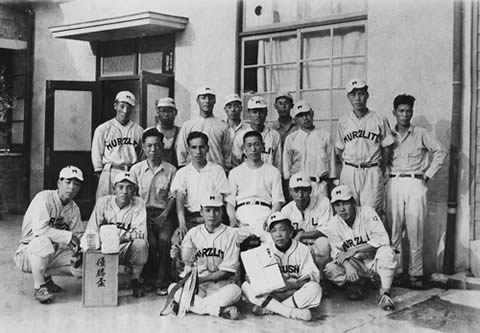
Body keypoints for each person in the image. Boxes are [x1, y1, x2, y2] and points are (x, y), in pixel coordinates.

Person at [386, 94, 446, 289]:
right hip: (394, 183)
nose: (405, 114)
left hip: (415, 183)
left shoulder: (420, 133)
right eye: (401, 111)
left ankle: (415, 274)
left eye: (409, 111)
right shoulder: (388, 135)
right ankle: (396, 273)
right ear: (394, 112)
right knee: (394, 230)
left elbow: (440, 151)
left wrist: (427, 176)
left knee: (415, 230)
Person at [14, 166, 85, 304]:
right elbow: (40, 230)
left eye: (76, 184)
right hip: (28, 252)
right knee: (43, 242)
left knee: (83, 267)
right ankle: (39, 286)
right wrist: (68, 236)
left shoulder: (74, 208)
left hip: (54, 253)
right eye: (68, 182)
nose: (72, 187)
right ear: (59, 183)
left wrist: (80, 249)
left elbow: (77, 235)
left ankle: (46, 276)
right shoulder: (44, 198)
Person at [169, 193, 242, 320]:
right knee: (172, 288)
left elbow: (227, 271)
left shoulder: (232, 234)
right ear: (201, 212)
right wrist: (176, 257)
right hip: (199, 289)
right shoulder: (193, 233)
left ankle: (189, 305)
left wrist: (200, 280)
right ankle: (219, 310)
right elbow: (184, 267)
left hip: (221, 287)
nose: (212, 215)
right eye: (208, 210)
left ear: (222, 212)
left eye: (216, 210)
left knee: (236, 290)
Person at [324, 185, 397, 311]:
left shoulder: (367, 212)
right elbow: (337, 253)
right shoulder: (333, 224)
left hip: (374, 261)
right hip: (355, 264)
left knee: (387, 252)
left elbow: (383, 240)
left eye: (345, 203)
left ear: (353, 202)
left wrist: (355, 249)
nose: (342, 209)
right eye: (337, 205)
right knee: (330, 269)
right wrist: (348, 266)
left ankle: (385, 294)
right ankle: (362, 282)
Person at [242, 212, 322, 321]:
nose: (278, 235)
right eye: (274, 230)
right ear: (270, 233)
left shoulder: (302, 249)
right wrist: (253, 279)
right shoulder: (264, 249)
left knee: (315, 288)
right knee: (246, 286)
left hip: (294, 293)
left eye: (282, 229)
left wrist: (291, 285)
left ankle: (271, 309)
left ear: (290, 231)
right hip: (272, 294)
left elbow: (311, 277)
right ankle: (290, 312)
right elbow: (258, 280)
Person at [83, 172, 148, 298]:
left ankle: (135, 280)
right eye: (121, 187)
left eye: (129, 187)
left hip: (124, 247)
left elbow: (140, 233)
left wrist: (117, 239)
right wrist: (104, 242)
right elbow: (92, 229)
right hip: (103, 247)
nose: (125, 191)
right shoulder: (103, 202)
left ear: (134, 190)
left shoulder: (139, 203)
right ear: (114, 189)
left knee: (141, 244)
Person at [335, 79, 394, 215]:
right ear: (348, 97)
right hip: (350, 170)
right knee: (349, 211)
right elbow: (339, 150)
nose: (357, 98)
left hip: (371, 170)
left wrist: (381, 169)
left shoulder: (379, 119)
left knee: (371, 212)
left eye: (361, 94)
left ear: (367, 95)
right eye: (353, 95)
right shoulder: (343, 120)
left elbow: (387, 148)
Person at [130, 127, 177, 295]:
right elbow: (132, 196)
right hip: (141, 214)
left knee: (165, 240)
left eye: (157, 146)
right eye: (149, 146)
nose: (153, 150)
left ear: (162, 146)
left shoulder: (171, 170)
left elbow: (173, 196)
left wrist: (164, 215)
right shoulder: (136, 170)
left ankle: (162, 281)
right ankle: (149, 279)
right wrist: (141, 217)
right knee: (150, 242)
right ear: (143, 147)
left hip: (164, 214)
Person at [171, 131, 234, 247]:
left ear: (207, 148)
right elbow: (180, 198)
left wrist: (231, 219)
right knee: (177, 241)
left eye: (201, 147)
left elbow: (226, 197)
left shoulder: (217, 170)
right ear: (189, 149)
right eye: (194, 147)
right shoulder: (183, 172)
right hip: (191, 219)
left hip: (213, 219)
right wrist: (182, 224)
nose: (198, 152)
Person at [228, 131, 284, 241]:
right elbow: (230, 202)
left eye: (256, 144)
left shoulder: (273, 171)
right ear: (244, 148)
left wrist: (270, 219)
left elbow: (277, 201)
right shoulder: (235, 172)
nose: (253, 149)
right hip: (242, 215)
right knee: (233, 241)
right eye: (249, 145)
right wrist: (232, 218)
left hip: (264, 215)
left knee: (271, 242)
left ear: (263, 146)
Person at [91, 91, 144, 199]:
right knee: (106, 204)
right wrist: (99, 172)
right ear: (115, 106)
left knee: (129, 206)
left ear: (132, 109)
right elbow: (97, 153)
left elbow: (142, 155)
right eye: (122, 106)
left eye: (129, 107)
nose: (125, 110)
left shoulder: (139, 131)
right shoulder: (103, 129)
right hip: (110, 171)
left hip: (130, 171)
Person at [283, 100, 336, 199]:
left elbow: (332, 163)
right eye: (301, 115)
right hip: (300, 187)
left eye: (307, 114)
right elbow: (287, 166)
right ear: (295, 119)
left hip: (321, 184)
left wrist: (331, 184)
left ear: (312, 114)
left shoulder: (324, 135)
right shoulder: (291, 138)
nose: (305, 118)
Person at [281, 173, 332, 272]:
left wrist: (302, 235)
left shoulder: (323, 202)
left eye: (304, 190)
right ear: (290, 192)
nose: (300, 195)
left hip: (316, 245)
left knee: (324, 243)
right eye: (296, 191)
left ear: (310, 190)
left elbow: (327, 229)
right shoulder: (286, 210)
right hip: (298, 247)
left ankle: (323, 276)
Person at [176, 87, 232, 171]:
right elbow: (181, 152)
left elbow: (227, 153)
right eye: (203, 98)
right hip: (193, 173)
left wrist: (226, 170)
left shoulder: (223, 126)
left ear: (215, 101)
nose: (207, 101)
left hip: (216, 172)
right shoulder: (188, 125)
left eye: (210, 98)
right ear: (197, 100)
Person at [231, 96, 282, 172]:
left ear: (266, 113)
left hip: (269, 176)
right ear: (248, 113)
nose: (258, 115)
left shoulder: (274, 135)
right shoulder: (240, 135)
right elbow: (236, 162)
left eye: (261, 112)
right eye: (254, 112)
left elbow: (278, 162)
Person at [155, 97, 180, 168]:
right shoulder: (151, 132)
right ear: (158, 113)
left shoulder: (182, 133)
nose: (166, 114)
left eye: (170, 111)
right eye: (163, 111)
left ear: (176, 113)